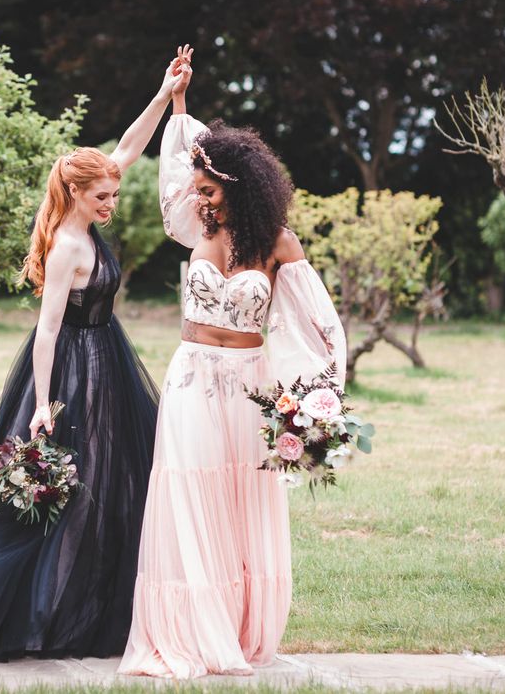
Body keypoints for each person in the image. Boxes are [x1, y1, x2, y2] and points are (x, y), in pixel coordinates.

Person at [0, 52, 189, 661]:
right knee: (67, 489)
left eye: (113, 195)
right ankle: (32, 615)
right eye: (102, 196)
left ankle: (98, 606)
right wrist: (43, 403)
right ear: (74, 192)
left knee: (116, 482)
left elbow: (129, 144)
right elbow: (46, 331)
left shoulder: (92, 199)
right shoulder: (68, 245)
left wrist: (163, 89)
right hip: (70, 367)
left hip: (107, 359)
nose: (111, 204)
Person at [118, 47, 347, 678]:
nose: (201, 199)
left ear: (238, 189)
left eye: (211, 189)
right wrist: (180, 102)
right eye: (198, 189)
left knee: (240, 498)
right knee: (187, 493)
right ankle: (190, 633)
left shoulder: (279, 245)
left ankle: (238, 629)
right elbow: (171, 181)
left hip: (249, 388)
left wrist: (315, 404)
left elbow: (318, 326)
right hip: (191, 379)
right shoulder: (194, 225)